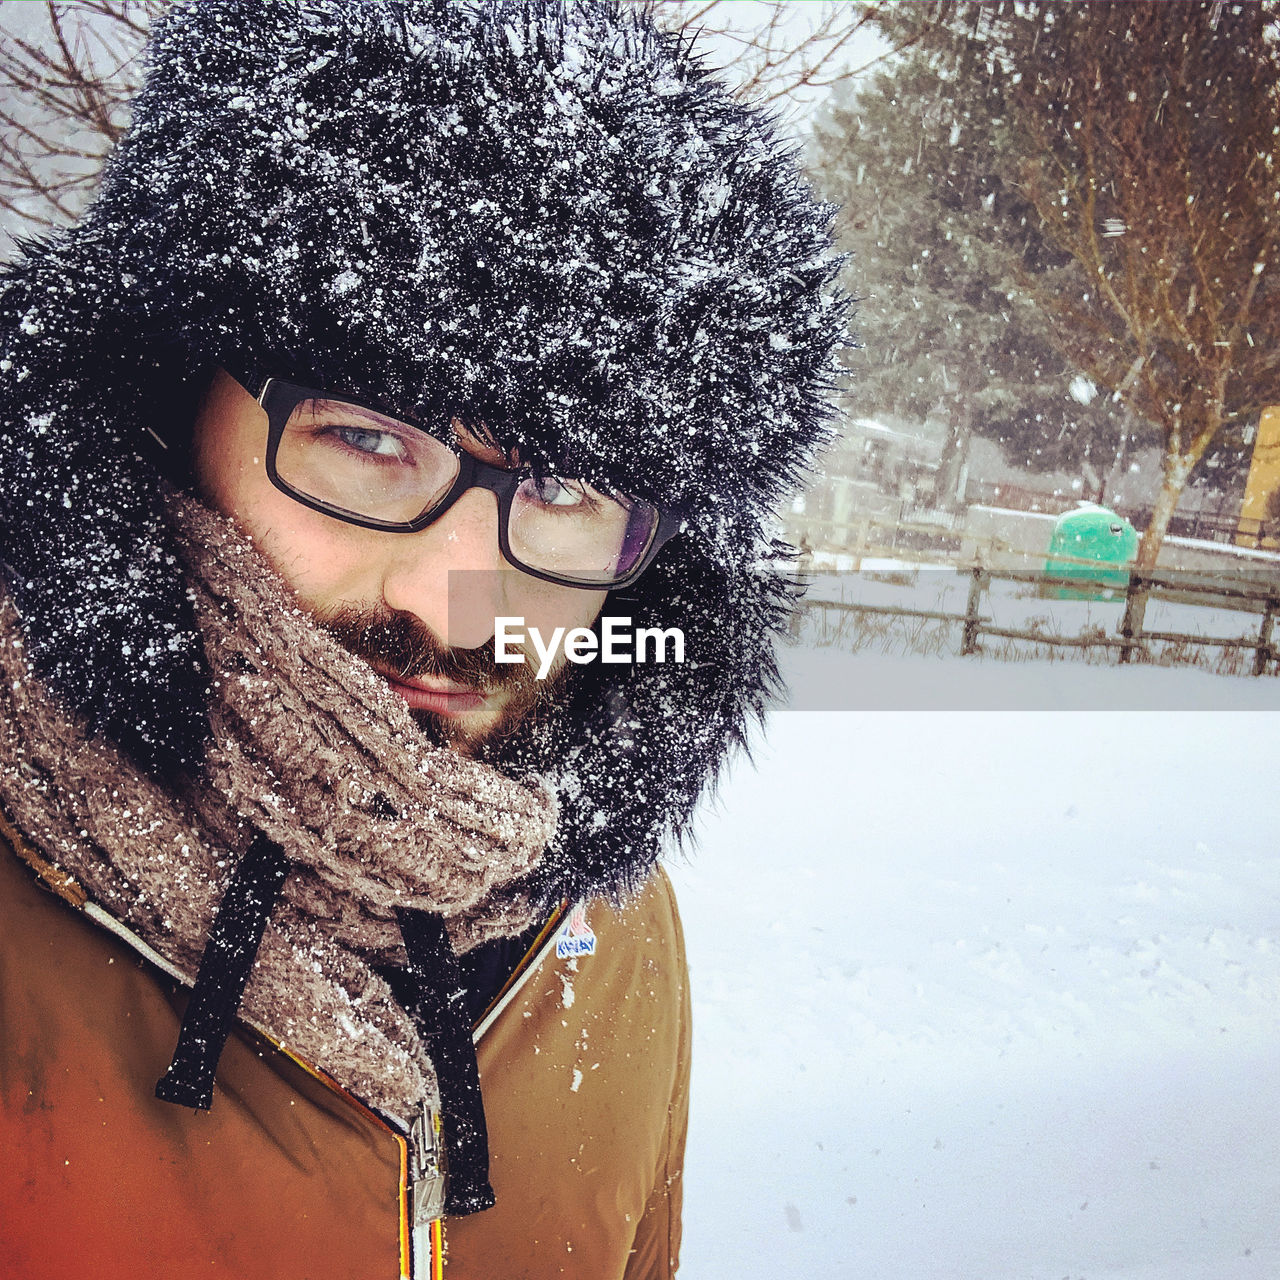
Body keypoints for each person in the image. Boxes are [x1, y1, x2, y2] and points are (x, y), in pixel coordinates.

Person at [0, 2, 846, 1276]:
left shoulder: (605, 927)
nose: (465, 594)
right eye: (369, 438)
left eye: (564, 491)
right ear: (167, 407)